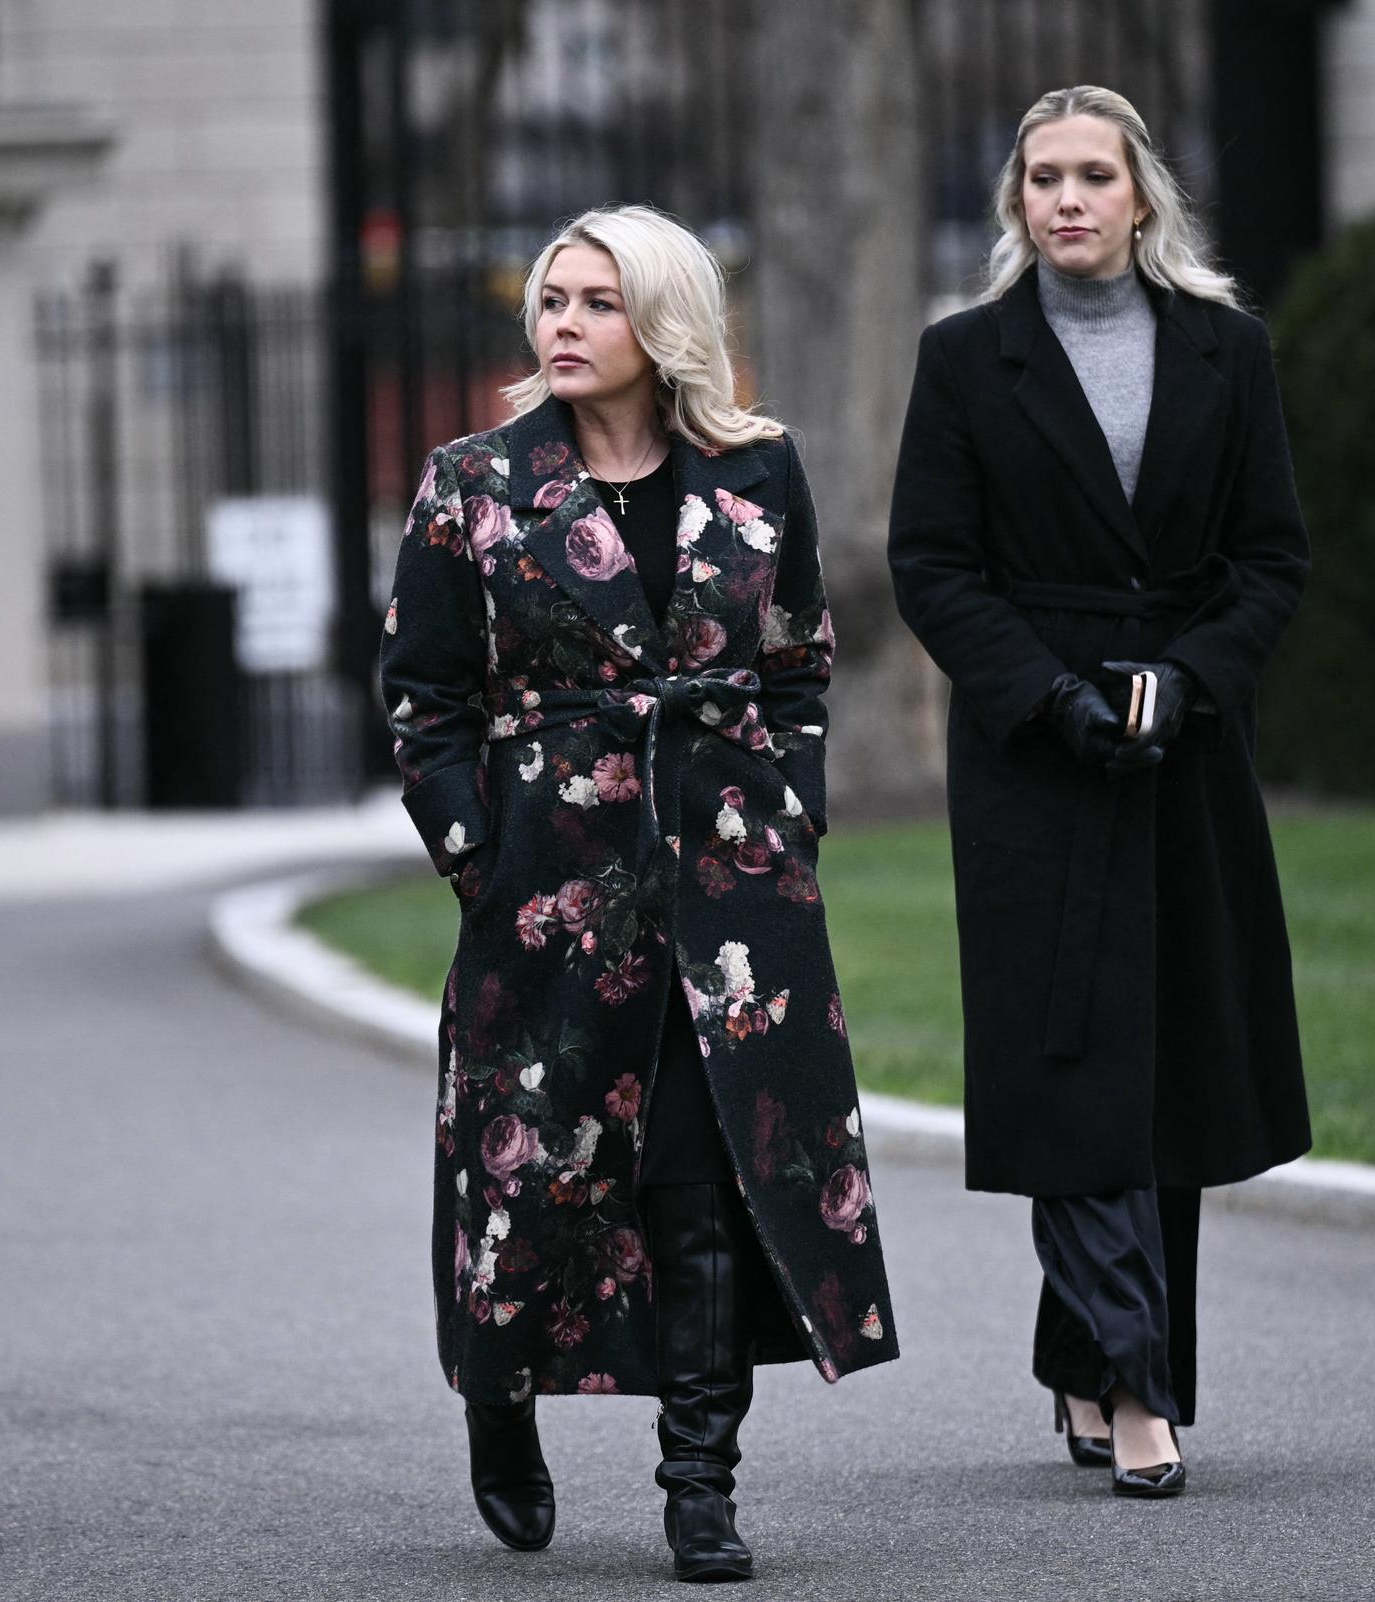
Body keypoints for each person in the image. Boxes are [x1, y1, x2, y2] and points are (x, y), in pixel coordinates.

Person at [381, 205, 899, 1583]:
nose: (561, 323)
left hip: (734, 883)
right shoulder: (474, 483)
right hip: (550, 887)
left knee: (703, 1178)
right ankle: (500, 1400)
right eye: (550, 300)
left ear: (661, 320)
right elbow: (423, 697)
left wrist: (789, 805)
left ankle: (701, 1485)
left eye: (596, 302)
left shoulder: (758, 468)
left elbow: (797, 660)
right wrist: (474, 853)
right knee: (532, 1172)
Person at [885, 85, 1312, 1499]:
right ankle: (1138, 1386)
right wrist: (1047, 695)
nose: (1068, 199)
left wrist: (1188, 679)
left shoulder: (1227, 351)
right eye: (1043, 178)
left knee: (1168, 1063)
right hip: (1030, 760)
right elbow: (934, 566)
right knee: (1072, 1060)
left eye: (1094, 176)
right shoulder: (964, 361)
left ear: (1142, 199)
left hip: (1183, 750)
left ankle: (1092, 1356)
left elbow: (1271, 560)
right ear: (1016, 204)